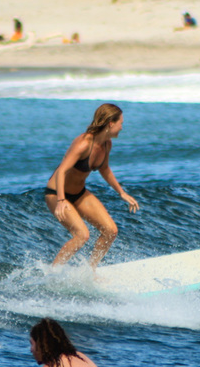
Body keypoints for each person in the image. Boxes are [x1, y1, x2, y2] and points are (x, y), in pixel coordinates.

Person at [45, 103, 139, 266]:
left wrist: (121, 192)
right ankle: (53, 273)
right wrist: (60, 200)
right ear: (111, 124)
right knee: (82, 235)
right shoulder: (83, 144)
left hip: (79, 193)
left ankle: (91, 270)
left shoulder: (106, 144)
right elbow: (62, 171)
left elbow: (104, 168)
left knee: (111, 231)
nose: (122, 128)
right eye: (121, 123)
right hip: (56, 193)